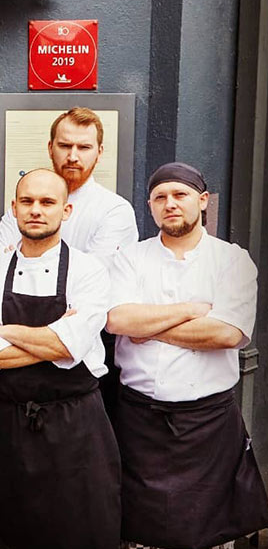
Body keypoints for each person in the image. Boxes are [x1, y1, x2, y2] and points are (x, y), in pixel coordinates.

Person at [106, 162, 268, 549]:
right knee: (140, 536)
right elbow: (117, 319)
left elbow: (228, 333)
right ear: (150, 206)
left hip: (208, 422)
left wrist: (149, 327)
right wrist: (192, 310)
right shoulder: (129, 259)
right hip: (139, 420)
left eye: (180, 195)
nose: (170, 204)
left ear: (202, 200)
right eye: (160, 197)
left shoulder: (232, 259)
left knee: (210, 536)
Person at [0, 168, 121, 549]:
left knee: (81, 530)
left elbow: (68, 348)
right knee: (13, 529)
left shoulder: (88, 271)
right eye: (28, 202)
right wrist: (52, 334)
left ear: (65, 211)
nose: (36, 210)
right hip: (9, 425)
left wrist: (3, 332)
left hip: (76, 425)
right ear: (14, 208)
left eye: (47, 202)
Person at [0, 106, 137, 265]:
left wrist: (21, 263)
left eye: (84, 147)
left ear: (99, 153)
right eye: (65, 146)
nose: (72, 157)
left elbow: (97, 277)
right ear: (50, 148)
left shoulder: (114, 210)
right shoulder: (26, 205)